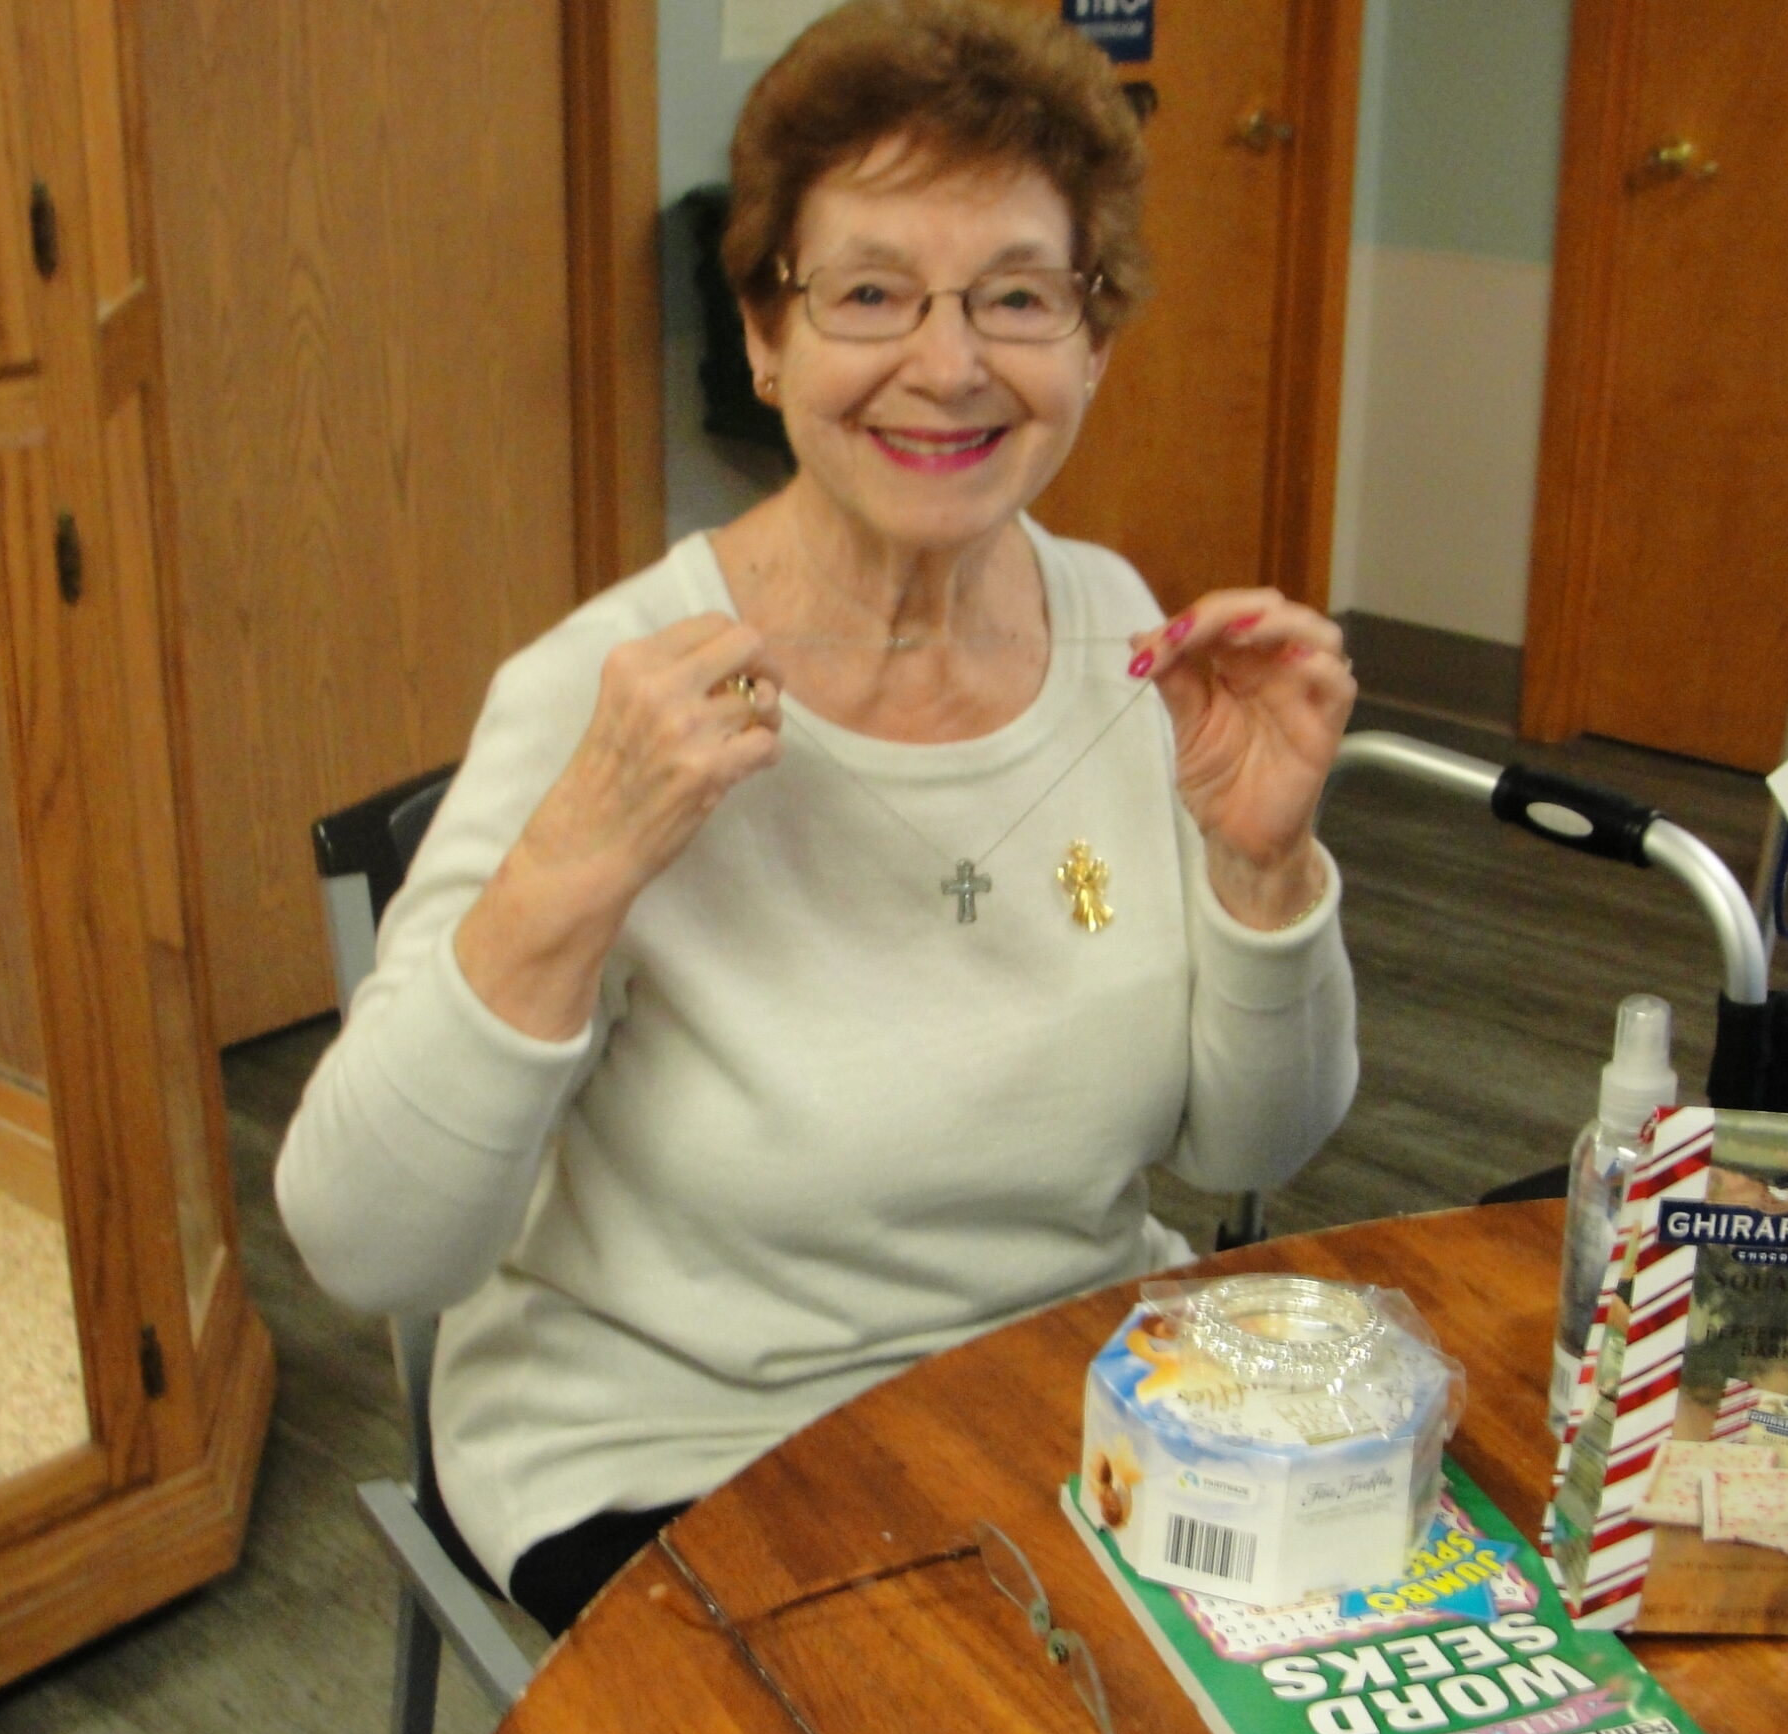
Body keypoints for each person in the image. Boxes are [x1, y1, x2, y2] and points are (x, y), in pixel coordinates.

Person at [276, 0, 1359, 1636]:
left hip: (1066, 1399)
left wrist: (1260, 869)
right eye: (869, 294)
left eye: (1017, 295)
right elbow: (368, 1246)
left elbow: (1246, 1152)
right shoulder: (603, 694)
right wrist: (577, 860)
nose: (949, 362)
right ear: (766, 335)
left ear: (1092, 342)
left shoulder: (1121, 631)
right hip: (680, 1449)